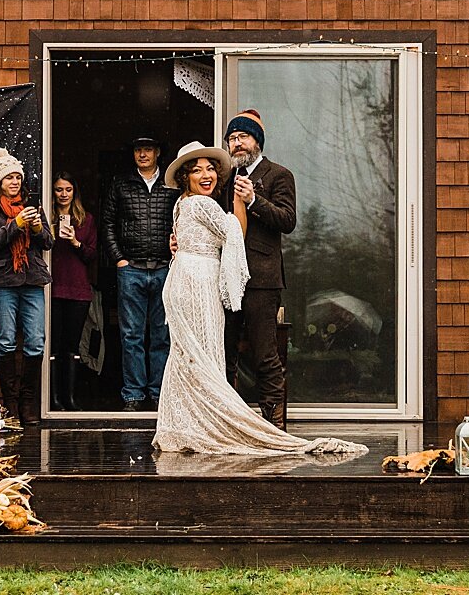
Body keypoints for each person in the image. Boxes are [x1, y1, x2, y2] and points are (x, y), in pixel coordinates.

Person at [152, 141, 366, 458]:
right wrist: (241, 200)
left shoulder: (182, 204)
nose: (206, 174)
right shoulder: (202, 204)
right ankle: (209, 424)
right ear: (185, 177)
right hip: (197, 285)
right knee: (205, 356)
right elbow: (236, 231)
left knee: (189, 357)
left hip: (183, 280)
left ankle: (190, 423)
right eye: (197, 170)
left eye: (211, 168)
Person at [220, 109, 295, 429]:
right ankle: (230, 424)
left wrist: (253, 201)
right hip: (226, 278)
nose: (237, 144)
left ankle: (275, 427)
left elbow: (288, 221)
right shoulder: (223, 179)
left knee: (265, 355)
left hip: (262, 279)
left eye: (243, 137)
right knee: (224, 354)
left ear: (257, 142)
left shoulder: (279, 174)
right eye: (232, 138)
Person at [0, 150, 55, 428]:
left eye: (18, 177)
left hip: (32, 280)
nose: (15, 182)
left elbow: (47, 243)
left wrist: (34, 228)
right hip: (3, 283)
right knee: (6, 339)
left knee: (35, 341)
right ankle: (10, 403)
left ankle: (28, 401)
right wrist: (15, 225)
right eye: (9, 177)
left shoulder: (33, 207)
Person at [101, 132, 177, 412]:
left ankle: (158, 393)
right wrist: (119, 259)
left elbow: (180, 220)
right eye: (138, 150)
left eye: (148, 149)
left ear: (158, 152)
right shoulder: (121, 184)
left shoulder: (171, 184)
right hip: (130, 269)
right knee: (131, 335)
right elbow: (107, 223)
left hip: (163, 269)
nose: (142, 154)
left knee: (162, 335)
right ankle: (133, 394)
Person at [48, 171, 98, 411]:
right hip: (54, 288)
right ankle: (54, 399)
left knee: (72, 345)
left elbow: (91, 255)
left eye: (68, 189)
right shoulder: (47, 217)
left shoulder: (85, 219)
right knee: (54, 345)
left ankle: (70, 397)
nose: (63, 194)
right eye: (59, 189)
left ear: (74, 191)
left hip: (78, 289)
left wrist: (75, 242)